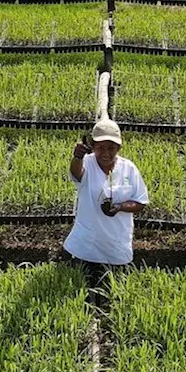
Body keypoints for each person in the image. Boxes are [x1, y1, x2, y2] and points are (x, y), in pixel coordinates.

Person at [63, 117, 149, 293]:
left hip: (116, 247)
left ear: (119, 148)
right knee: (77, 295)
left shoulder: (129, 169)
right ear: (92, 146)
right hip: (85, 246)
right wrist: (77, 156)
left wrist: (120, 207)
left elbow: (140, 202)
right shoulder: (87, 162)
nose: (105, 153)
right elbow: (76, 173)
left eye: (111, 148)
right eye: (100, 147)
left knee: (113, 295)